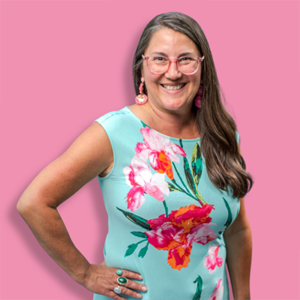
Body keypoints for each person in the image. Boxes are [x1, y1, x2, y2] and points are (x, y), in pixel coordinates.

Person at [17, 11, 253, 300]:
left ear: (203, 68)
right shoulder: (114, 132)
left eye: (186, 59)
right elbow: (34, 202)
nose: (173, 71)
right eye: (159, 58)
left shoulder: (223, 136)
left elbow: (237, 231)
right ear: (141, 68)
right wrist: (84, 273)